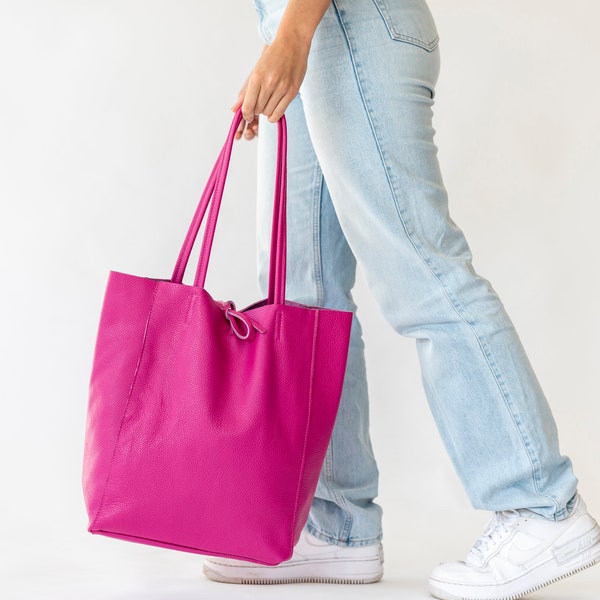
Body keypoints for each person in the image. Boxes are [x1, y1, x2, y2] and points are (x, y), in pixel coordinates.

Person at [202, 1, 600, 598]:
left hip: (349, 23)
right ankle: (337, 526)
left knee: (421, 269)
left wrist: (293, 32)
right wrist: (277, 39)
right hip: (306, 29)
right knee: (301, 293)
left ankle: (541, 503)